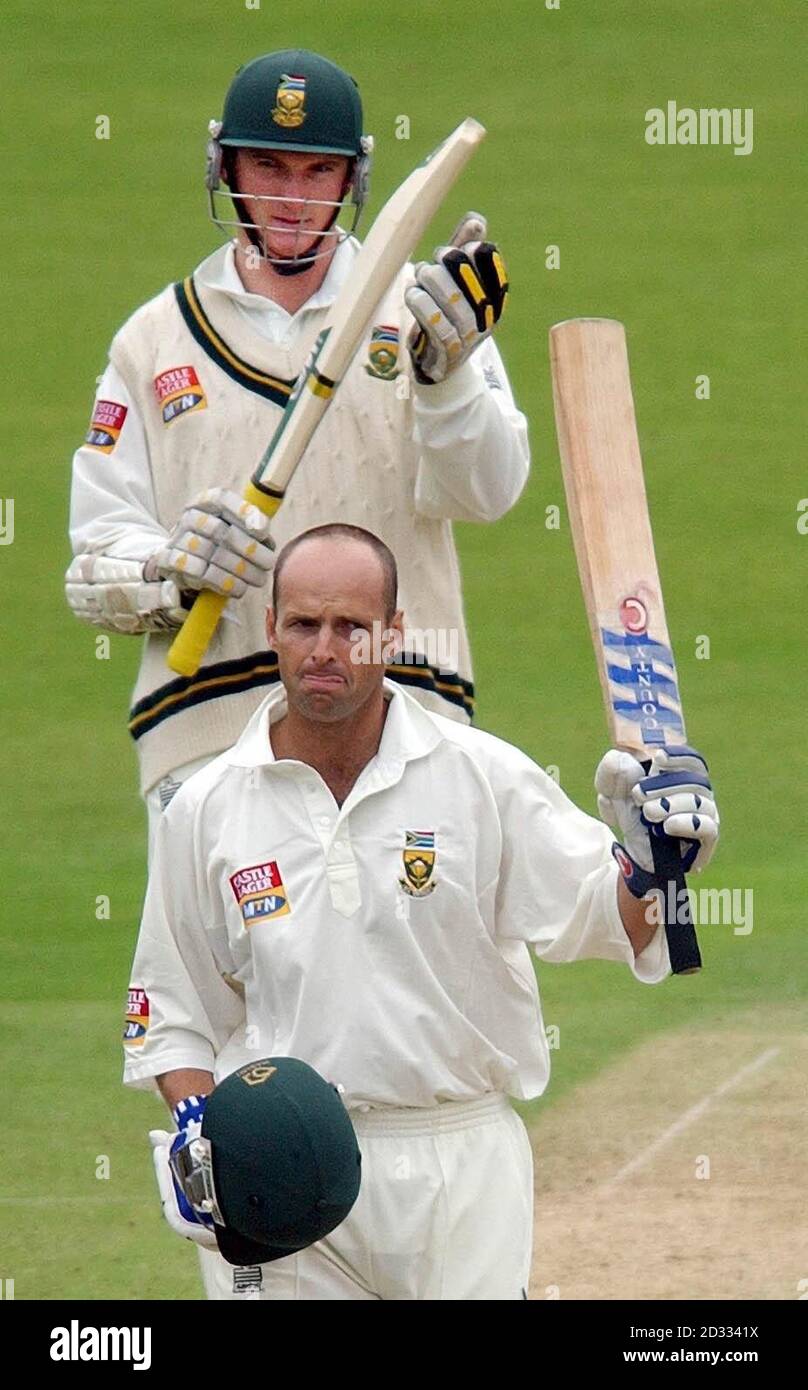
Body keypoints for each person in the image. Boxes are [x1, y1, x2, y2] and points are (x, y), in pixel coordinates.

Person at [124, 525, 719, 1301]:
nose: (324, 650)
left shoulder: (482, 776)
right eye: (304, 624)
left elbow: (610, 920)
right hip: (283, 1170)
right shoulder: (206, 808)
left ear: (394, 634)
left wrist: (653, 871)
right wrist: (205, 1133)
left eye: (352, 628)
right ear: (270, 629)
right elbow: (171, 1010)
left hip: (461, 1166)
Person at [65, 48, 528, 843]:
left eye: (318, 172)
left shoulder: (428, 311)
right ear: (223, 164)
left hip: (406, 736)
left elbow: (491, 489)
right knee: (207, 975)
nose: (288, 198)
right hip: (211, 745)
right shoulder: (153, 340)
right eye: (266, 165)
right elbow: (92, 560)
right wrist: (171, 569)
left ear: (353, 181)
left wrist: (447, 380)